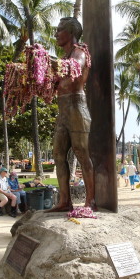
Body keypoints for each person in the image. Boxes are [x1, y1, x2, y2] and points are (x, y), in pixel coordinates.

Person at [45, 17, 96, 212]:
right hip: (63, 109)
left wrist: (46, 59)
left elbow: (73, 69)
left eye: (60, 30)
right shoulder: (65, 57)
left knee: (82, 153)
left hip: (76, 107)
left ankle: (90, 201)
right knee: (58, 153)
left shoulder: (79, 52)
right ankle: (64, 201)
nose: (56, 34)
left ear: (71, 32)